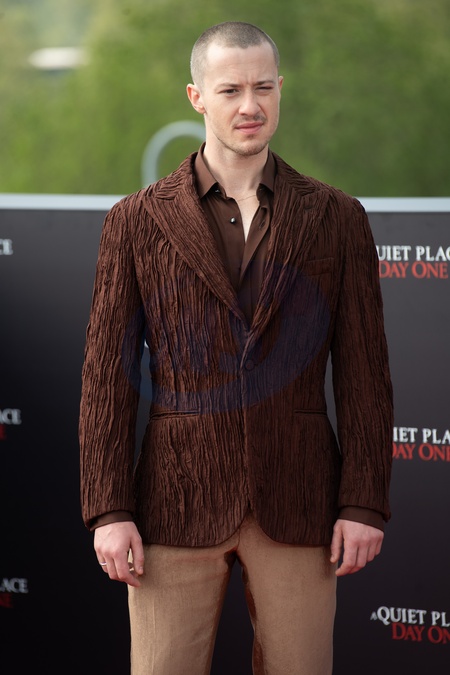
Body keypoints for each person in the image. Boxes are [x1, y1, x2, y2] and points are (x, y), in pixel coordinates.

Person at [79, 21, 393, 675]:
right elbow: (106, 378)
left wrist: (363, 500)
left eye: (263, 87)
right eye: (230, 90)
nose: (250, 105)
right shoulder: (134, 221)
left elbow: (365, 371)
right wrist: (108, 508)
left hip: (300, 497)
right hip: (174, 500)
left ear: (280, 89)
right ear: (197, 96)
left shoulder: (339, 218)